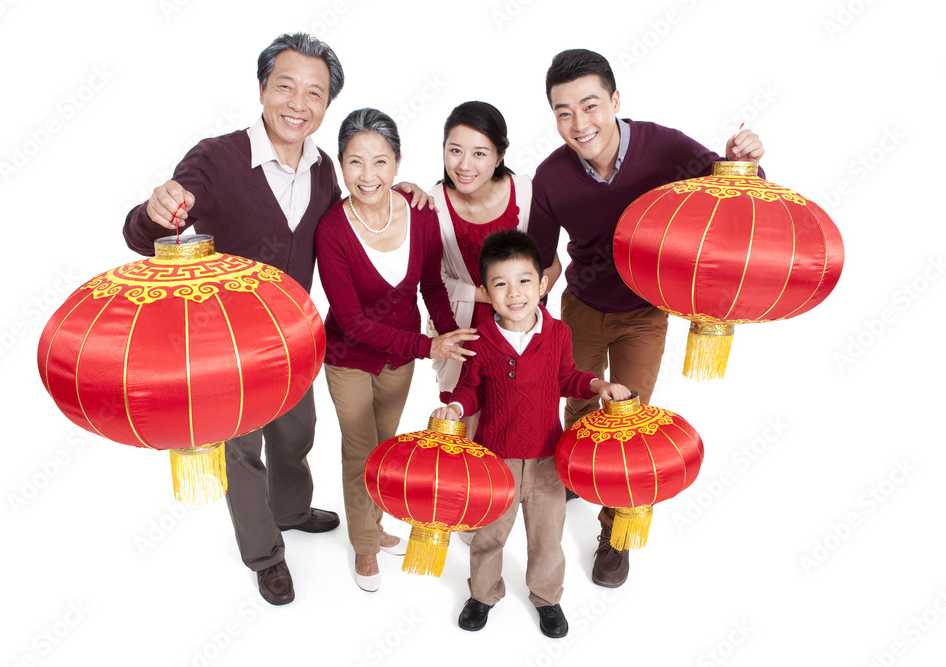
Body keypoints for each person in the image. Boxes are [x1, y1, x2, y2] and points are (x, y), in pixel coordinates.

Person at [122, 33, 430, 606]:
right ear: (262, 88)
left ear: (327, 105)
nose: (298, 102)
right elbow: (145, 236)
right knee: (242, 450)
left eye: (314, 93)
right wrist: (153, 211)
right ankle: (265, 555)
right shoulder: (216, 157)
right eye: (285, 85)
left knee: (296, 434)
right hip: (226, 345)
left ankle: (291, 509)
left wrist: (401, 189)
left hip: (292, 338)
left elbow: (358, 212)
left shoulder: (322, 171)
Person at [527, 48, 765, 589]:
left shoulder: (664, 148)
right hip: (582, 309)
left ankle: (617, 530)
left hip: (644, 311)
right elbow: (540, 258)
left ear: (615, 100)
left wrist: (746, 157)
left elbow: (735, 188)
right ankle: (577, 474)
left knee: (630, 422)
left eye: (589, 105)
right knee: (581, 405)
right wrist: (527, 316)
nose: (579, 124)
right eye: (563, 112)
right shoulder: (551, 177)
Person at [431, 229, 629, 638]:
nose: (514, 292)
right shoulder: (482, 339)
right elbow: (471, 389)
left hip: (545, 460)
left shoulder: (557, 334)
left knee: (546, 537)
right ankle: (483, 594)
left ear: (541, 284)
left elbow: (568, 377)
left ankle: (547, 597)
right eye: (500, 283)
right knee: (488, 535)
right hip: (495, 460)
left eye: (524, 280)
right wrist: (455, 405)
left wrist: (599, 386)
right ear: (487, 291)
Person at [315, 107, 478, 593]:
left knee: (385, 449)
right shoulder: (332, 230)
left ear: (398, 163)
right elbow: (352, 321)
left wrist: (451, 339)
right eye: (355, 162)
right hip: (347, 357)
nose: (368, 175)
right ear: (341, 165)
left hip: (401, 357)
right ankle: (364, 544)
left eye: (381, 162)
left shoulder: (421, 213)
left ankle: (373, 523)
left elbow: (431, 286)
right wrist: (430, 345)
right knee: (360, 448)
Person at [427, 101, 558, 441]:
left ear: (500, 155)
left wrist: (518, 302)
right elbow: (429, 281)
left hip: (520, 328)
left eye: (479, 153)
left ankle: (519, 491)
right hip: (461, 328)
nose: (464, 164)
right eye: (454, 150)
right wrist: (480, 293)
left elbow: (550, 266)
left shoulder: (528, 193)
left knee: (517, 421)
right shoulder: (432, 204)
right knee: (463, 427)